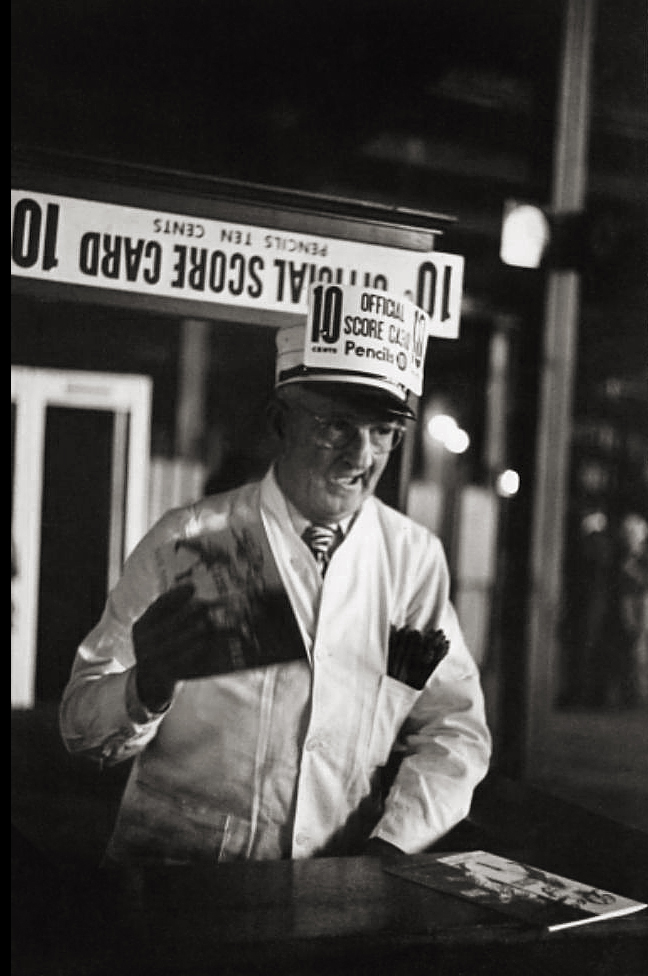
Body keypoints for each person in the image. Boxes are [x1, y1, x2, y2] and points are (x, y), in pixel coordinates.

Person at [59, 285, 491, 865]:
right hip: (178, 882)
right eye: (337, 426)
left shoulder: (413, 559)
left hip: (338, 887)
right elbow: (79, 726)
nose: (361, 457)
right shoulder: (189, 539)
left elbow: (454, 730)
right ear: (280, 422)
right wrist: (147, 685)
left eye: (384, 431)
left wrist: (393, 846)